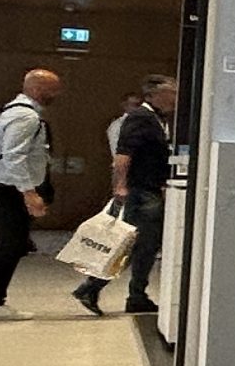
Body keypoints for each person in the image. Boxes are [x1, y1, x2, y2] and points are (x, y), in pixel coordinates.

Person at [0, 69, 62, 324]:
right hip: (3, 188)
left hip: (8, 187)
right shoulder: (24, 116)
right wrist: (29, 193)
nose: (56, 94)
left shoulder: (20, 112)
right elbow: (13, 156)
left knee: (15, 246)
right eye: (52, 89)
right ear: (37, 89)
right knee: (11, 245)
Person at [74, 74, 175, 318]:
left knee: (143, 245)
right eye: (171, 93)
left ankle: (133, 294)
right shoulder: (140, 118)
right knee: (136, 243)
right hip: (141, 191)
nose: (175, 98)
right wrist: (120, 185)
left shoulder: (158, 120)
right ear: (153, 95)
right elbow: (123, 155)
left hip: (150, 188)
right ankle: (94, 287)